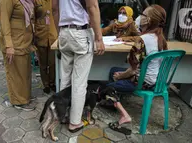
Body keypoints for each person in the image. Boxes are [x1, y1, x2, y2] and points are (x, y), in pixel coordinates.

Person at [105, 4, 168, 133]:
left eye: (143, 15)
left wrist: (121, 76)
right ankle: (116, 99)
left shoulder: (142, 40)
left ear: (148, 20)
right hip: (155, 81)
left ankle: (124, 115)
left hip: (142, 83)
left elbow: (133, 70)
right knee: (113, 70)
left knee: (107, 88)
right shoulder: (161, 38)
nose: (140, 17)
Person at [52, 0, 105, 132]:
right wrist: (99, 38)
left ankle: (62, 116)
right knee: (79, 82)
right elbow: (92, 7)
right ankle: (75, 122)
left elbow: (54, 8)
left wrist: (60, 33)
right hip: (81, 32)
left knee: (65, 78)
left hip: (64, 31)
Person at [0, 0, 36, 111]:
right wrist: (9, 45)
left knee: (24, 73)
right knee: (15, 74)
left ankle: (25, 97)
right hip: (14, 44)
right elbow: (3, 21)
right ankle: (18, 101)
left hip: (25, 42)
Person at [34, 0, 57, 94]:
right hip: (40, 35)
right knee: (43, 64)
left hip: (53, 36)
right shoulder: (36, 1)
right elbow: (32, 17)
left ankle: (52, 83)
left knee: (53, 63)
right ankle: (46, 84)